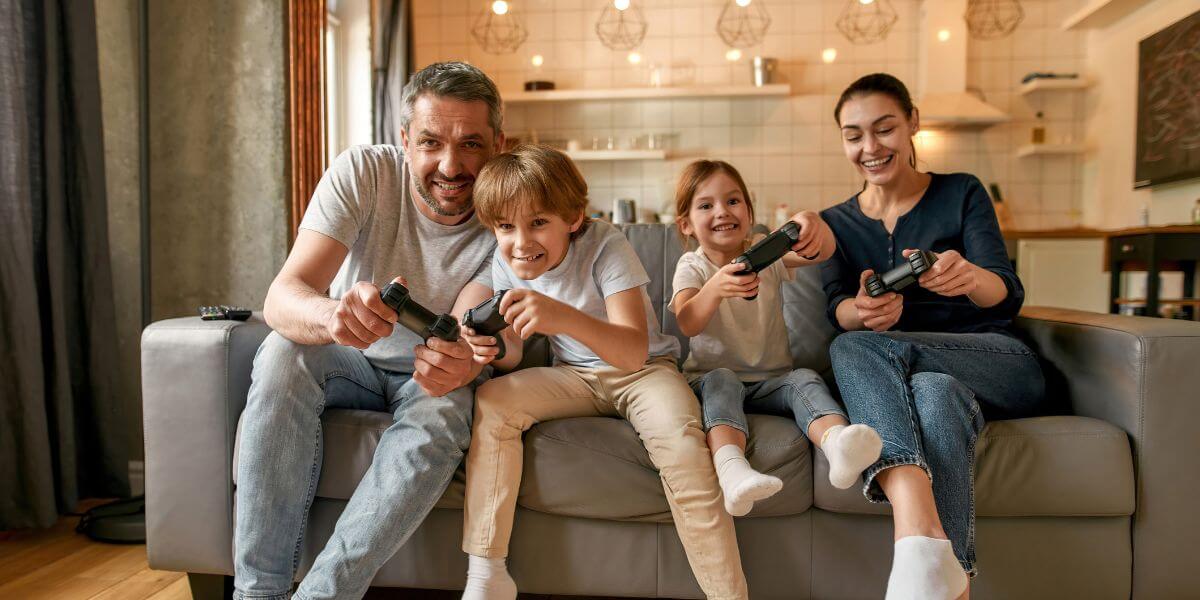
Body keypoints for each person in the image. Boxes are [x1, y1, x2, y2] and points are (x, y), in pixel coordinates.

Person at [233, 62, 505, 600]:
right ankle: (257, 595)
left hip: (431, 374)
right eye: (430, 142)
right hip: (351, 360)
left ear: (499, 143)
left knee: (445, 407)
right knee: (284, 351)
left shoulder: (514, 207)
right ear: (404, 140)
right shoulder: (363, 172)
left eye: (471, 144)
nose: (450, 166)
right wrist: (332, 317)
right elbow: (283, 295)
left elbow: (472, 325)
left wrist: (465, 360)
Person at [458, 145, 749, 600]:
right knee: (493, 400)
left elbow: (632, 351)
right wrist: (492, 347)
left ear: (573, 218)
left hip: (644, 372)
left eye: (538, 222)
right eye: (505, 227)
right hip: (574, 376)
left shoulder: (605, 244)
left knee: (683, 448)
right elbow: (512, 353)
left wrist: (562, 317)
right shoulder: (504, 261)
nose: (521, 242)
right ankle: (487, 574)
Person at [820, 73, 1046, 600]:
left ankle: (913, 529)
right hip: (915, 379)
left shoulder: (961, 191)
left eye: (884, 129)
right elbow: (837, 307)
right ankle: (943, 578)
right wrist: (863, 310)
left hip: (997, 362)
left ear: (912, 123)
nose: (870, 147)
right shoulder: (836, 222)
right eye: (854, 135)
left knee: (850, 348)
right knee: (933, 393)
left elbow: (1006, 292)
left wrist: (970, 278)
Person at [667, 159, 882, 516]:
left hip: (771, 380)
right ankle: (732, 471)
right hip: (712, 378)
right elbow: (688, 322)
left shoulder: (765, 253)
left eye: (733, 201)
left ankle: (837, 446)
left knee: (804, 379)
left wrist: (810, 222)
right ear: (686, 224)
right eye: (706, 205)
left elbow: (821, 253)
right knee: (721, 381)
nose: (722, 212)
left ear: (749, 211)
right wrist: (715, 288)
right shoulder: (693, 265)